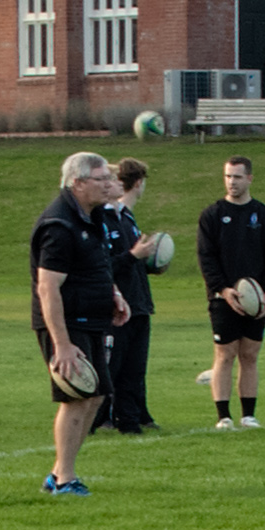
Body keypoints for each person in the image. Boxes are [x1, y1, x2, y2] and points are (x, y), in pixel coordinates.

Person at [31, 151, 114, 497]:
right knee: (76, 399)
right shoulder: (60, 224)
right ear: (78, 183)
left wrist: (115, 295)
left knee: (95, 398)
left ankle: (57, 473)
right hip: (67, 325)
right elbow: (48, 287)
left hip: (92, 320)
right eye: (102, 179)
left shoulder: (91, 218)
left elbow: (93, 268)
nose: (110, 185)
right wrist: (62, 344)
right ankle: (65, 479)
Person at [196, 152, 265, 432]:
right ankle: (223, 416)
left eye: (237, 177)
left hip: (257, 299)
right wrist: (223, 290)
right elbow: (206, 258)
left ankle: (248, 415)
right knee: (225, 354)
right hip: (224, 298)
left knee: (250, 354)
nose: (231, 182)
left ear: (249, 178)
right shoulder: (212, 215)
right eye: (227, 176)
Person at [97, 163, 165, 438]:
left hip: (138, 303)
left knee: (135, 368)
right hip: (116, 306)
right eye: (110, 180)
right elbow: (102, 266)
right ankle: (100, 418)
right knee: (114, 366)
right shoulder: (100, 220)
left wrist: (152, 262)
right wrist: (134, 257)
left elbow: (133, 260)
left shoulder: (126, 217)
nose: (116, 184)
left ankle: (132, 420)